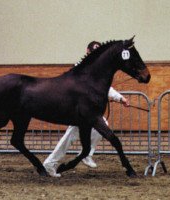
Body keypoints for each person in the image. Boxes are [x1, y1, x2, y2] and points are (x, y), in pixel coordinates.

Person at [43, 41, 130, 177]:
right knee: (69, 137)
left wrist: (119, 98)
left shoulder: (98, 69)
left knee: (102, 126)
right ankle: (50, 163)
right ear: (87, 51)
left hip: (89, 111)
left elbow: (104, 88)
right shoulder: (80, 67)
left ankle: (86, 154)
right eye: (92, 51)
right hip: (76, 110)